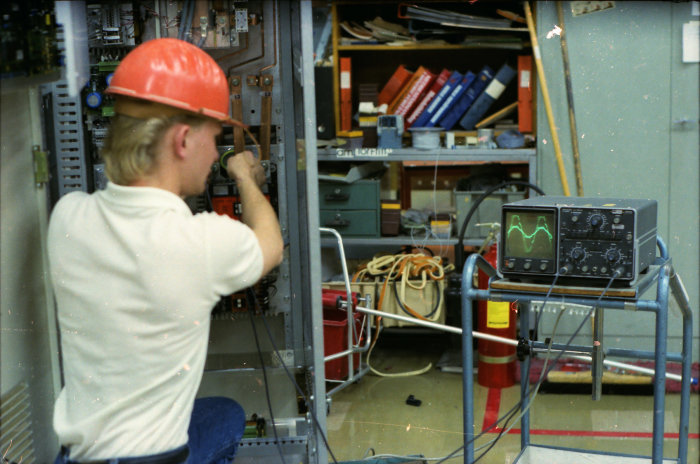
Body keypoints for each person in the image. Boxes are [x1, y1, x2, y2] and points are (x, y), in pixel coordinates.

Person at [48, 38, 283, 464]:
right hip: (152, 460)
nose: (215, 153)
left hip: (76, 457)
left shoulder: (66, 218)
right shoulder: (198, 242)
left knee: (221, 414)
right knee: (228, 418)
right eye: (213, 137)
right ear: (182, 140)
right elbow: (271, 245)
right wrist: (245, 177)